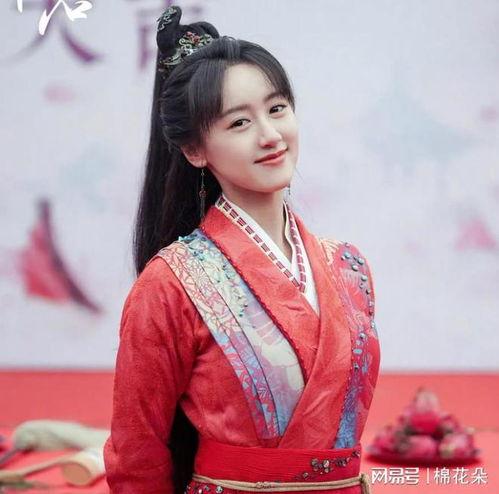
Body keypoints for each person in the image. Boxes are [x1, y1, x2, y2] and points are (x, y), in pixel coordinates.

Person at [104, 6, 380, 494]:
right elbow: (136, 452)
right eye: (239, 123)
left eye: (277, 109)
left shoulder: (347, 265)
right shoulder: (170, 284)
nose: (270, 136)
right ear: (195, 150)